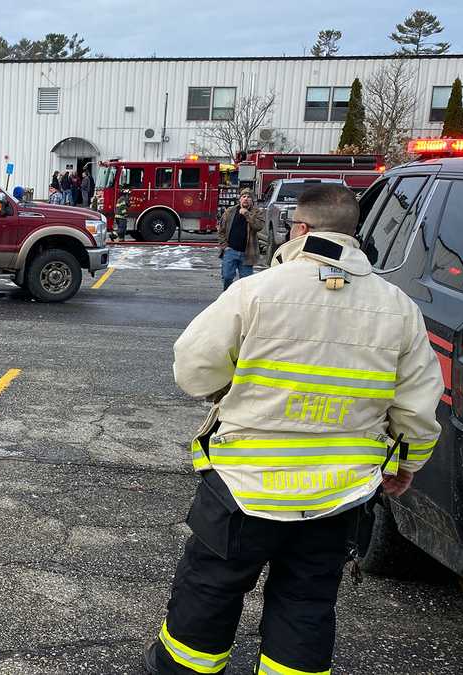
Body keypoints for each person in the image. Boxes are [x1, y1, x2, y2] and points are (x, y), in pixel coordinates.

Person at [144, 184, 443, 675]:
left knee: (210, 590)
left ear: (300, 229)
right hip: (338, 491)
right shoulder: (398, 308)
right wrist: (405, 464)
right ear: (353, 234)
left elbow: (192, 368)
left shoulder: (256, 291)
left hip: (245, 485)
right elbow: (416, 408)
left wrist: (235, 385)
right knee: (307, 602)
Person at [218, 188, 262, 290]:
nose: (246, 199)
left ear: (252, 200)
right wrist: (225, 246)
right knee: (227, 277)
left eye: (249, 197)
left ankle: (243, 301)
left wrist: (246, 214)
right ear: (240, 199)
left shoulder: (257, 213)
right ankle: (227, 296)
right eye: (244, 196)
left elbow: (258, 226)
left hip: (247, 253)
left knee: (246, 281)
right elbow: (221, 230)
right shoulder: (230, 211)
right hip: (230, 251)